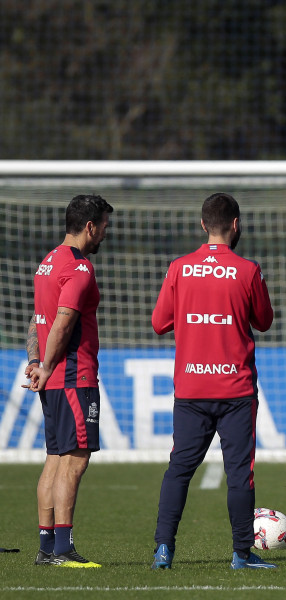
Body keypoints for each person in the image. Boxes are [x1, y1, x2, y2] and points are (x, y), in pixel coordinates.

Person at [150, 192, 275, 570]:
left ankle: (163, 550)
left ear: (203, 225)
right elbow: (264, 321)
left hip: (190, 388)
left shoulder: (179, 268)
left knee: (179, 470)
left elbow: (159, 323)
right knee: (239, 473)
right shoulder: (248, 270)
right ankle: (241, 554)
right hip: (235, 389)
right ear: (235, 225)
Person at [24, 194, 114, 568]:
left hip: (53, 379)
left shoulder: (48, 262)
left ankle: (46, 548)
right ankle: (63, 549)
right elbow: (61, 321)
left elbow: (36, 320)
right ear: (90, 226)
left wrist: (34, 361)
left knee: (54, 459)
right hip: (73, 376)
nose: (106, 234)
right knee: (74, 461)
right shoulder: (79, 269)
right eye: (105, 226)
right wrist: (46, 365)